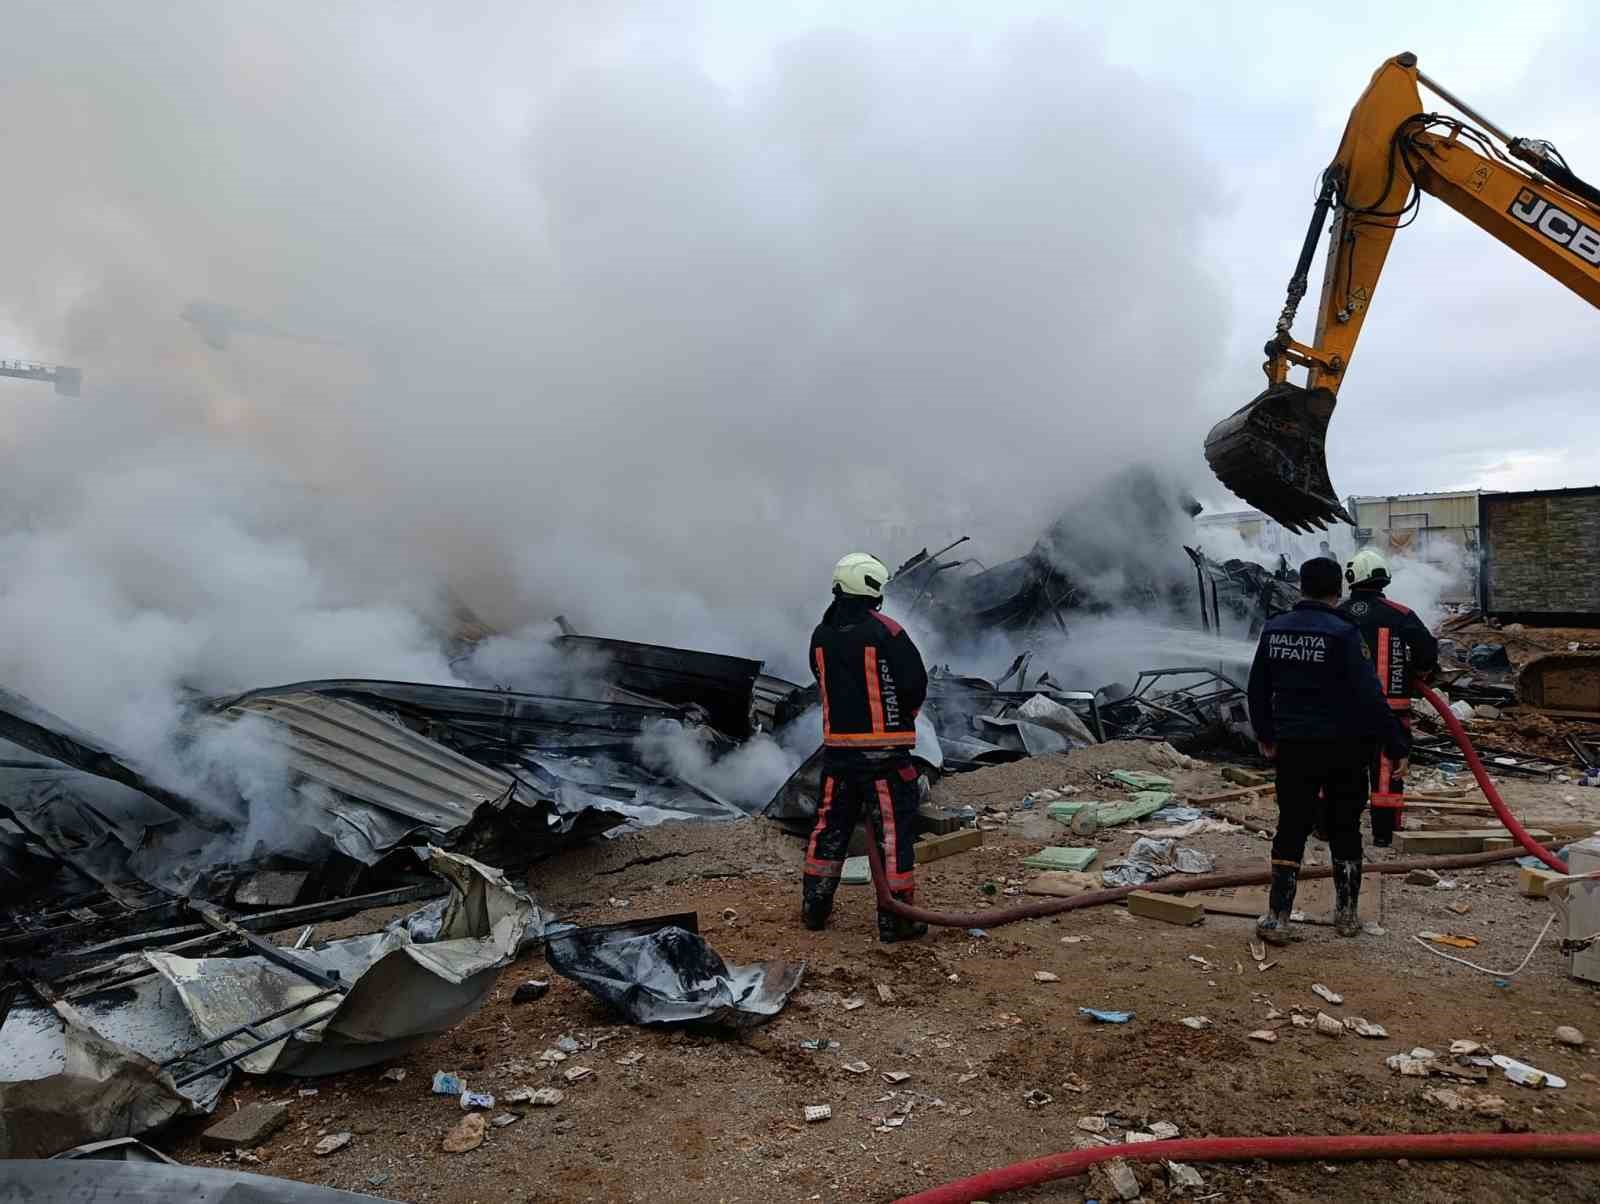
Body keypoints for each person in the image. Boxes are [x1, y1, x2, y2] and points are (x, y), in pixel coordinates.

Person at [1246, 556, 1409, 943]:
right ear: (1338, 590)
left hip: (1294, 748)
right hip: (1345, 750)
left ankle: (1278, 917)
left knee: (1291, 826)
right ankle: (1347, 917)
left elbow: (1256, 689)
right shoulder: (1343, 632)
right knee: (1344, 828)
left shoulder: (1275, 628)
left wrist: (1267, 735)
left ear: (1300, 586)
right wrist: (1396, 743)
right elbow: (1371, 696)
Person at [801, 552, 930, 943]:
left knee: (828, 830)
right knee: (892, 836)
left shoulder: (821, 635)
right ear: (872, 588)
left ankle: (815, 910)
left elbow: (818, 679)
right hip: (885, 760)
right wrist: (897, 720)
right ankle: (897, 920)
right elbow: (915, 685)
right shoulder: (886, 632)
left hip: (838, 755)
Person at [1339, 549, 1439, 847]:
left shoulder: (1338, 614)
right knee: (1387, 770)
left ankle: (1329, 826)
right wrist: (1417, 673)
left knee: (1339, 766)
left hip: (1343, 710)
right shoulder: (1401, 614)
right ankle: (1383, 835)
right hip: (1391, 710)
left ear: (1352, 577)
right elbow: (1427, 649)